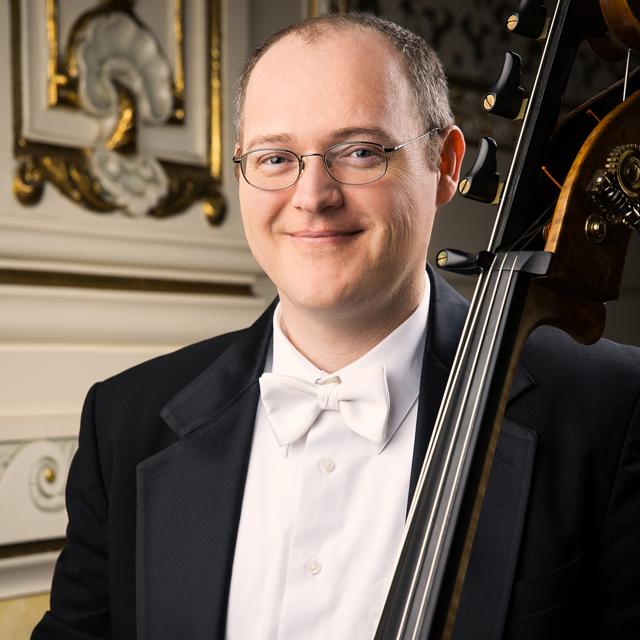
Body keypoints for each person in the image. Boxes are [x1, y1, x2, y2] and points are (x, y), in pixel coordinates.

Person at [33, 11, 640, 640]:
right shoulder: (125, 421)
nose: (313, 194)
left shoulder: (609, 410)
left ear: (446, 164)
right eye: (275, 158)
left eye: (359, 152)